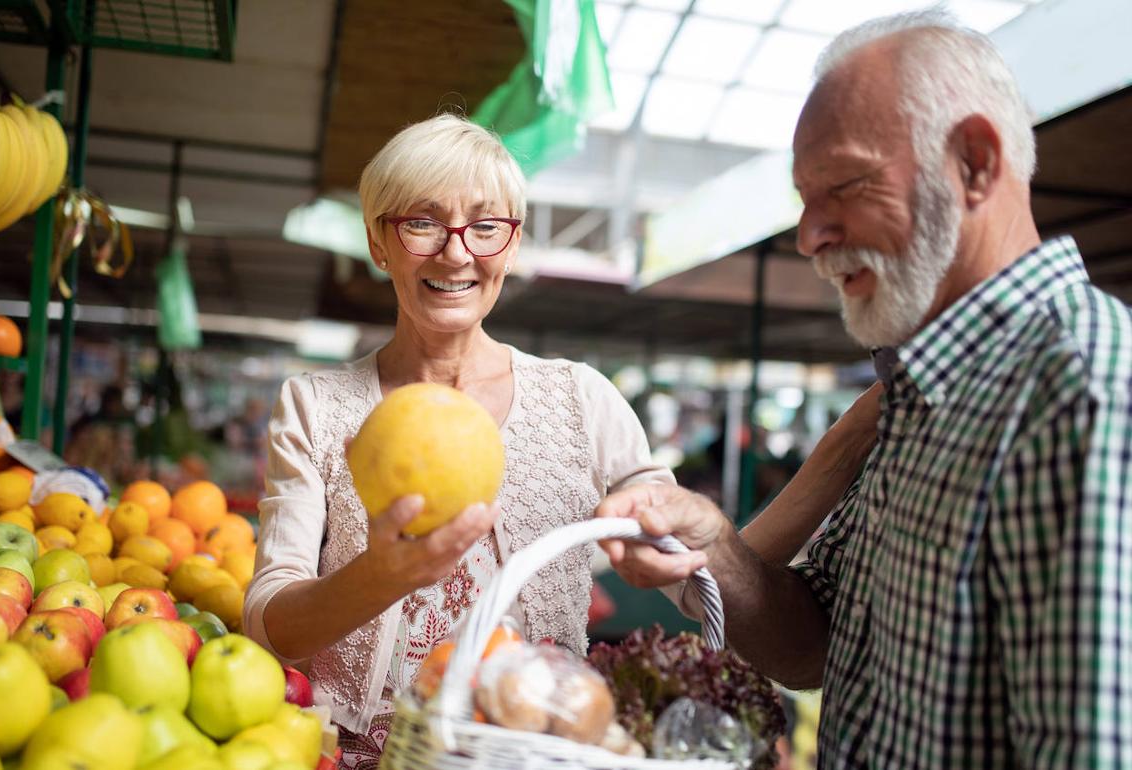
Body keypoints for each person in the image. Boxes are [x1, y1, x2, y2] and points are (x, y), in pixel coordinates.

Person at [598, 10, 1132, 769]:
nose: (810, 235)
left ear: (976, 162)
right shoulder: (919, 392)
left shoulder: (1081, 389)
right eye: (803, 199)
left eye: (844, 185)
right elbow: (814, 645)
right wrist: (715, 544)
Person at [243, 114, 678, 767]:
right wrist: (378, 577)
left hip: (533, 754)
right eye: (421, 222)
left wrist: (673, 535)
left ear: (512, 242)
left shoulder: (584, 400)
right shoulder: (316, 405)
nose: (456, 252)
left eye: (484, 224)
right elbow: (268, 623)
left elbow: (684, 564)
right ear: (379, 242)